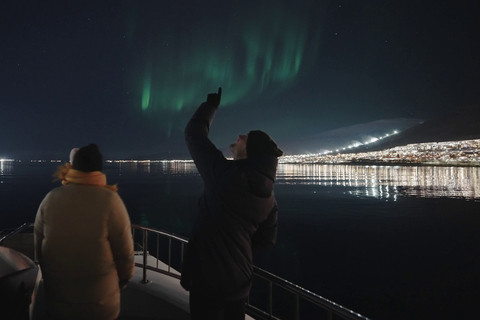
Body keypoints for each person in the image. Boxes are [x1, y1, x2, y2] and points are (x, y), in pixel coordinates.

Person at [180, 88, 283, 319]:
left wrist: (210, 107)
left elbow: (193, 134)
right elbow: (267, 240)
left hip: (208, 282)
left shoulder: (225, 177)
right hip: (240, 283)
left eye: (244, 138)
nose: (238, 137)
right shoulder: (269, 197)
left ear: (251, 153)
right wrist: (237, 248)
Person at [34, 144, 134, 320]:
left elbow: (39, 247)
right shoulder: (111, 201)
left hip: (59, 301)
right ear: (99, 167)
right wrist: (125, 277)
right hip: (100, 305)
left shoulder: (51, 198)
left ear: (73, 166)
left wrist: (48, 273)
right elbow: (124, 250)